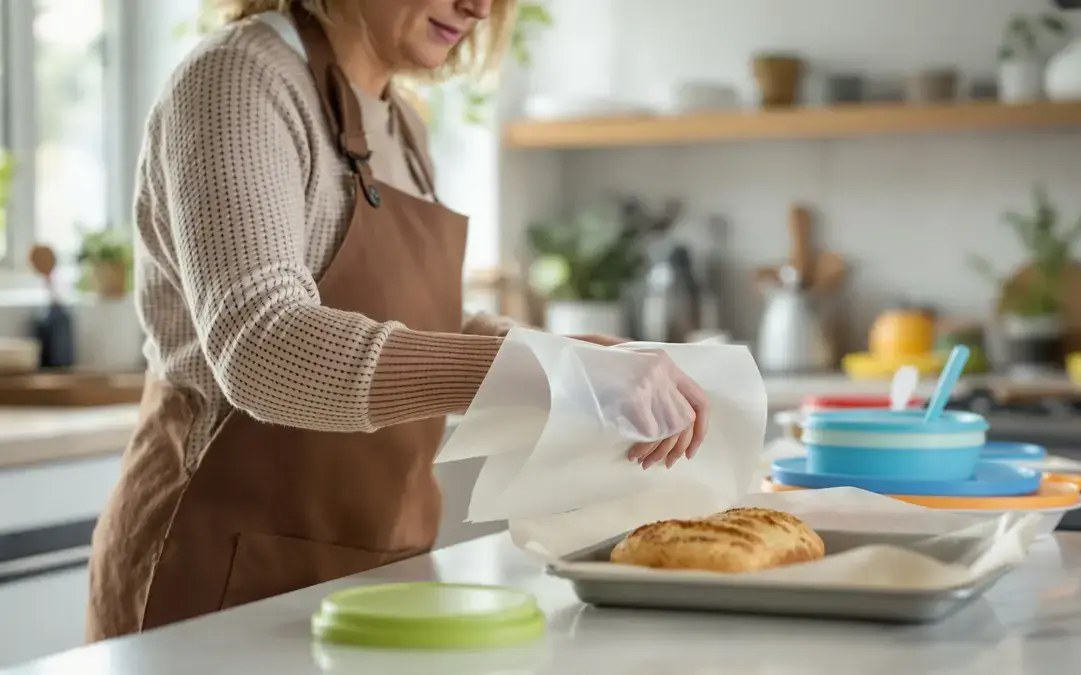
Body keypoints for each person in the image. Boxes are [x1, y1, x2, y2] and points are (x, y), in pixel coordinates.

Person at [86, 0, 709, 641]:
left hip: (380, 568)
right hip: (223, 571)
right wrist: (553, 373)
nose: (480, 8)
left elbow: (413, 317)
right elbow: (262, 343)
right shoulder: (239, 79)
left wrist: (571, 352)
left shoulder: (401, 121)